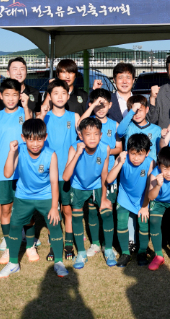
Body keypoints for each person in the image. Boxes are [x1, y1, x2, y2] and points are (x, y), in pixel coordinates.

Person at [0, 119, 67, 279]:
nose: (35, 143)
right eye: (31, 139)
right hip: (23, 196)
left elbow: (54, 182)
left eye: (39, 139)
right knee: (14, 227)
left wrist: (54, 206)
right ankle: (13, 263)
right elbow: (7, 174)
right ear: (23, 138)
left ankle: (59, 262)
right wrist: (10, 152)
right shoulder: (19, 150)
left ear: (45, 137)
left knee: (55, 225)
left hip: (46, 196)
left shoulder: (51, 154)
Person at [62, 117, 116, 269]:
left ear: (101, 135)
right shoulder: (74, 148)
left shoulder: (105, 148)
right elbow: (66, 177)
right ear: (81, 136)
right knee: (77, 216)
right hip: (78, 186)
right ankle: (81, 252)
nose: (92, 138)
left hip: (97, 185)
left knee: (106, 212)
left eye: (96, 134)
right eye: (88, 134)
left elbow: (104, 174)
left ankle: (109, 249)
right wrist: (78, 154)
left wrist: (104, 197)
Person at [0, 78, 30, 264]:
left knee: (26, 207)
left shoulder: (25, 112)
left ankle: (29, 244)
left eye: (15, 95)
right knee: (5, 207)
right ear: (1, 96)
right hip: (2, 169)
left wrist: (27, 106)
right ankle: (8, 241)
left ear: (20, 95)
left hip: (23, 170)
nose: (11, 99)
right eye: (7, 95)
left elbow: (32, 131)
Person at [39, 79, 80, 261]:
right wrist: (41, 113)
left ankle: (69, 243)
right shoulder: (44, 117)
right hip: (48, 173)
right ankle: (55, 242)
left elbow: (81, 139)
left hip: (68, 173)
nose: (60, 97)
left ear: (68, 95)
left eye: (63, 93)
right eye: (55, 93)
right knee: (52, 209)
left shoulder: (74, 117)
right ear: (49, 96)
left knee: (67, 210)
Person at [107, 133, 154, 267]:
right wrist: (120, 162)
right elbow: (109, 179)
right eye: (133, 154)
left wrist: (145, 207)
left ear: (147, 152)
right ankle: (125, 253)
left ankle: (142, 252)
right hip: (125, 195)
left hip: (142, 197)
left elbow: (149, 188)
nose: (136, 158)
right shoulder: (123, 159)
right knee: (121, 222)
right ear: (127, 151)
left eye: (140, 154)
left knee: (143, 223)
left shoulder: (150, 162)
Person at [141, 146, 170, 270]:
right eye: (165, 168)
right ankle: (158, 255)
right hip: (159, 200)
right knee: (154, 221)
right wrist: (157, 185)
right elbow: (151, 196)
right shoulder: (154, 174)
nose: (169, 173)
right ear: (159, 165)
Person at [83, 88, 123, 205]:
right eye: (97, 106)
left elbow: (119, 148)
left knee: (108, 205)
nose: (100, 109)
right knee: (92, 205)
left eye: (103, 106)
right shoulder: (88, 122)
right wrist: (92, 106)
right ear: (92, 105)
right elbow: (79, 124)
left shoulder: (115, 124)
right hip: (91, 169)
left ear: (110, 105)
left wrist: (105, 152)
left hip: (109, 169)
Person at [117, 95, 162, 162]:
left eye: (140, 110)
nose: (137, 114)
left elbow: (159, 151)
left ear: (147, 109)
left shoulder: (156, 129)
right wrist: (132, 111)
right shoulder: (128, 127)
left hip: (149, 168)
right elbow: (119, 132)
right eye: (134, 111)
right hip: (130, 167)